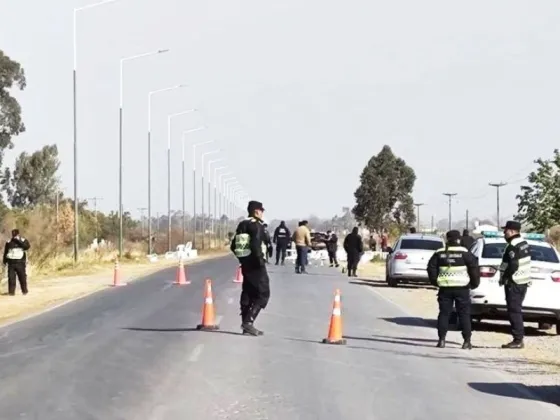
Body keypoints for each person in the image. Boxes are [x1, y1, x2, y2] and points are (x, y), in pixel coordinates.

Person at [427, 230, 480, 349]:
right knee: (464, 314)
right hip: (462, 288)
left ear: (447, 239)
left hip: (445, 288)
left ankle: (441, 340)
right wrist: (474, 284)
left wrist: (436, 282)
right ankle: (466, 341)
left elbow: (431, 268)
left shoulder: (439, 253)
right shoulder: (465, 253)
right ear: (458, 239)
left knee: (444, 314)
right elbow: (474, 268)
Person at [230, 200, 270, 336]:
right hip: (256, 265)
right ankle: (248, 322)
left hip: (246, 264)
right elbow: (256, 244)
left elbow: (233, 246)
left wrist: (243, 259)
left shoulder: (243, 224)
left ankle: (245, 324)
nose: (263, 213)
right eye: (261, 210)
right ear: (256, 211)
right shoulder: (257, 226)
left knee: (248, 292)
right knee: (263, 294)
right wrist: (259, 261)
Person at [499, 220, 531, 349]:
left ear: (512, 231)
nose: (504, 233)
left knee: (514, 311)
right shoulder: (524, 243)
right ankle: (518, 338)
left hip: (514, 282)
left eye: (505, 230)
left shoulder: (512, 245)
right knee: (517, 310)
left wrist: (505, 277)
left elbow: (513, 264)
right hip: (523, 281)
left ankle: (518, 340)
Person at [3, 229, 30, 296]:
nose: (14, 236)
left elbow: (26, 247)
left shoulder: (23, 240)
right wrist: (4, 260)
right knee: (11, 278)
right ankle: (11, 293)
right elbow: (6, 251)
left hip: (20, 262)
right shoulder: (9, 242)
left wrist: (18, 241)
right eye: (13, 234)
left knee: (22, 277)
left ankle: (24, 291)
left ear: (18, 234)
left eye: (15, 234)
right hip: (11, 263)